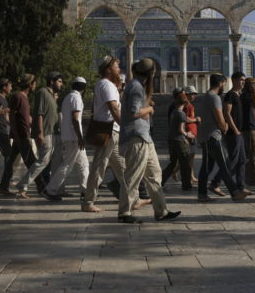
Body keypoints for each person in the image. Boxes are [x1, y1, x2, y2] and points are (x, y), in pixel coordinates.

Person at [117, 58, 180, 224]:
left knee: (154, 174)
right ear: (152, 73)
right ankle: (125, 211)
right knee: (133, 176)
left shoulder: (135, 86)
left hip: (144, 137)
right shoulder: (136, 87)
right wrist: (150, 108)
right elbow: (133, 112)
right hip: (136, 137)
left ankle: (161, 211)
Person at [82, 56, 127, 213]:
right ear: (108, 69)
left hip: (113, 131)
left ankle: (132, 198)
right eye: (116, 66)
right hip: (107, 131)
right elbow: (114, 109)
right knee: (99, 167)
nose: (119, 69)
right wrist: (126, 127)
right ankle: (88, 201)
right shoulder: (106, 85)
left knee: (123, 168)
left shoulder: (108, 85)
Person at [196, 74, 248, 203]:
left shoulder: (205, 97)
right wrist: (224, 127)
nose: (224, 86)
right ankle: (234, 192)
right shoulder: (215, 98)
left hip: (205, 137)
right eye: (224, 83)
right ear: (220, 83)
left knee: (206, 167)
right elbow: (219, 116)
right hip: (214, 137)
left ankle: (202, 194)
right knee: (225, 165)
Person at [16, 72, 62, 198]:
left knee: (45, 162)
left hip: (51, 133)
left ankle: (42, 186)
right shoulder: (42, 92)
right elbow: (40, 114)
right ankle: (23, 185)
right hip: (45, 132)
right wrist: (40, 133)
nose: (61, 84)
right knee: (42, 161)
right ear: (51, 81)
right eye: (59, 81)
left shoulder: (52, 95)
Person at [44, 77, 90, 200]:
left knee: (83, 164)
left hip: (69, 136)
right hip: (74, 137)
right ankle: (51, 189)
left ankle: (86, 190)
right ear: (84, 89)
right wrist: (80, 137)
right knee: (67, 165)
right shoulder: (76, 98)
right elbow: (75, 119)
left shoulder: (68, 97)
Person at [0, 74, 38, 195]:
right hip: (21, 136)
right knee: (32, 162)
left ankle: (3, 188)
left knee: (11, 162)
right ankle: (42, 187)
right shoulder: (17, 96)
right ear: (30, 84)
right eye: (34, 83)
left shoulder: (25, 97)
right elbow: (12, 116)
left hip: (23, 135)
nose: (35, 85)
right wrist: (16, 135)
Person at [209, 72, 247, 197]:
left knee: (241, 160)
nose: (243, 82)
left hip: (239, 132)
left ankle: (241, 186)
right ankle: (216, 182)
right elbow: (227, 113)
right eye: (241, 80)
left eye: (244, 80)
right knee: (233, 160)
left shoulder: (238, 95)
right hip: (233, 133)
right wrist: (234, 129)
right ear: (234, 80)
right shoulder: (230, 95)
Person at [162, 88, 195, 190]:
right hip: (179, 141)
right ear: (185, 103)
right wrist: (187, 134)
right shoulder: (181, 114)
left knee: (172, 163)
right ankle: (187, 185)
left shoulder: (174, 111)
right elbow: (181, 129)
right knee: (185, 163)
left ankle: (160, 181)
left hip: (171, 140)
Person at [241, 77, 255, 186]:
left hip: (249, 128)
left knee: (253, 154)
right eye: (254, 84)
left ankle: (251, 178)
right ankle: (252, 180)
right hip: (248, 129)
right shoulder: (246, 96)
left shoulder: (244, 96)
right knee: (252, 154)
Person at [0, 78, 12, 177]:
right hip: (0, 130)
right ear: (4, 87)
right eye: (10, 86)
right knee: (8, 155)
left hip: (5, 129)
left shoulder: (5, 99)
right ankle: (7, 179)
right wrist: (1, 112)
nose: (11, 88)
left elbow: (6, 116)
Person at [183, 85, 200, 184]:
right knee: (190, 157)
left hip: (192, 133)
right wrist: (196, 119)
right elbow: (185, 119)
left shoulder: (189, 105)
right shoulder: (188, 106)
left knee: (191, 157)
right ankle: (189, 176)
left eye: (194, 94)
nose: (194, 96)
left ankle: (191, 176)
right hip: (190, 133)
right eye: (192, 94)